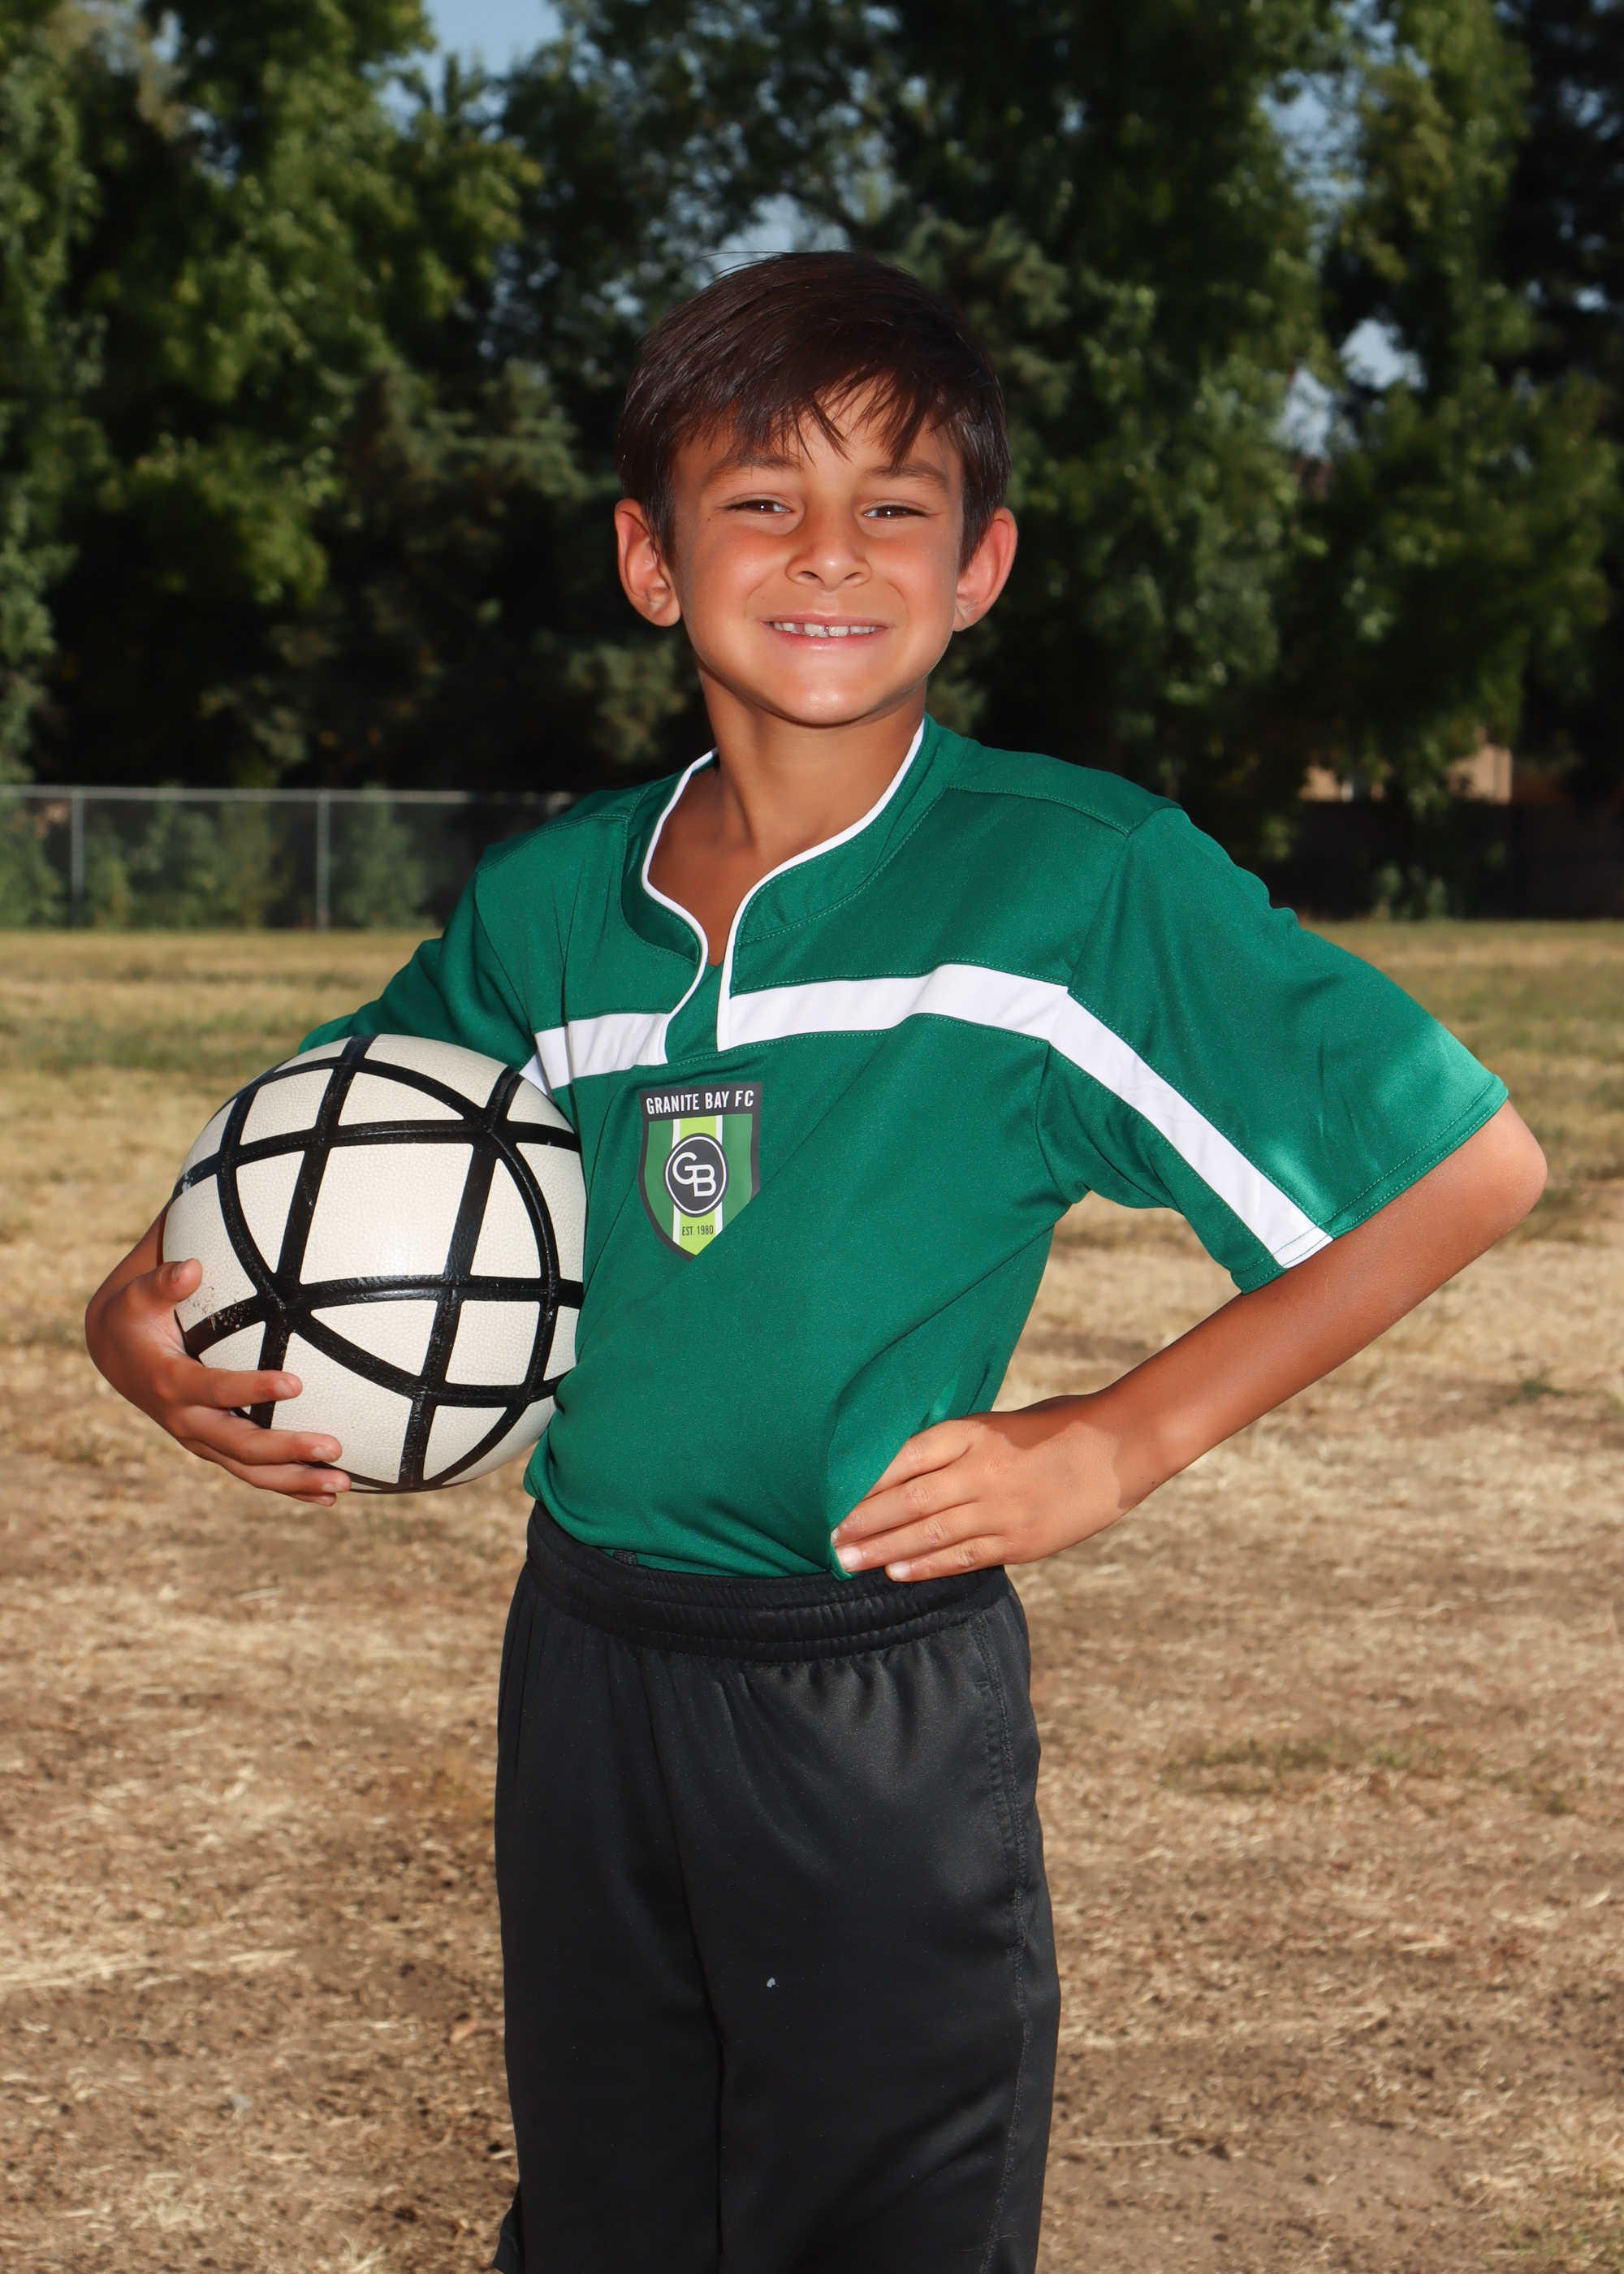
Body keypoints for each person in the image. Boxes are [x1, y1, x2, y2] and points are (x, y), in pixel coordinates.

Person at [85, 252, 1547, 2273]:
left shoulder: (1068, 879)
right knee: (608, 2225)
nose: (830, 550)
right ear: (651, 557)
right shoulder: (548, 910)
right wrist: (134, 1318)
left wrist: (1117, 1440)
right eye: (762, 497)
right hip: (586, 1662)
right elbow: (309, 1156)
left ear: (980, 563)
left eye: (895, 505)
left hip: (871, 1698)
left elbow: (1464, 1166)